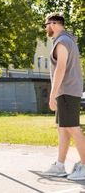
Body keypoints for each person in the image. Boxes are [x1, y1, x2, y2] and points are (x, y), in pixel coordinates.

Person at [43, 13, 85, 180]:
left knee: (73, 129)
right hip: (66, 92)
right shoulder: (68, 41)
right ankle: (60, 166)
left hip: (66, 91)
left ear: (53, 24)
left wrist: (52, 95)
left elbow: (61, 68)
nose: (46, 28)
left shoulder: (62, 42)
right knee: (63, 130)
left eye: (46, 25)